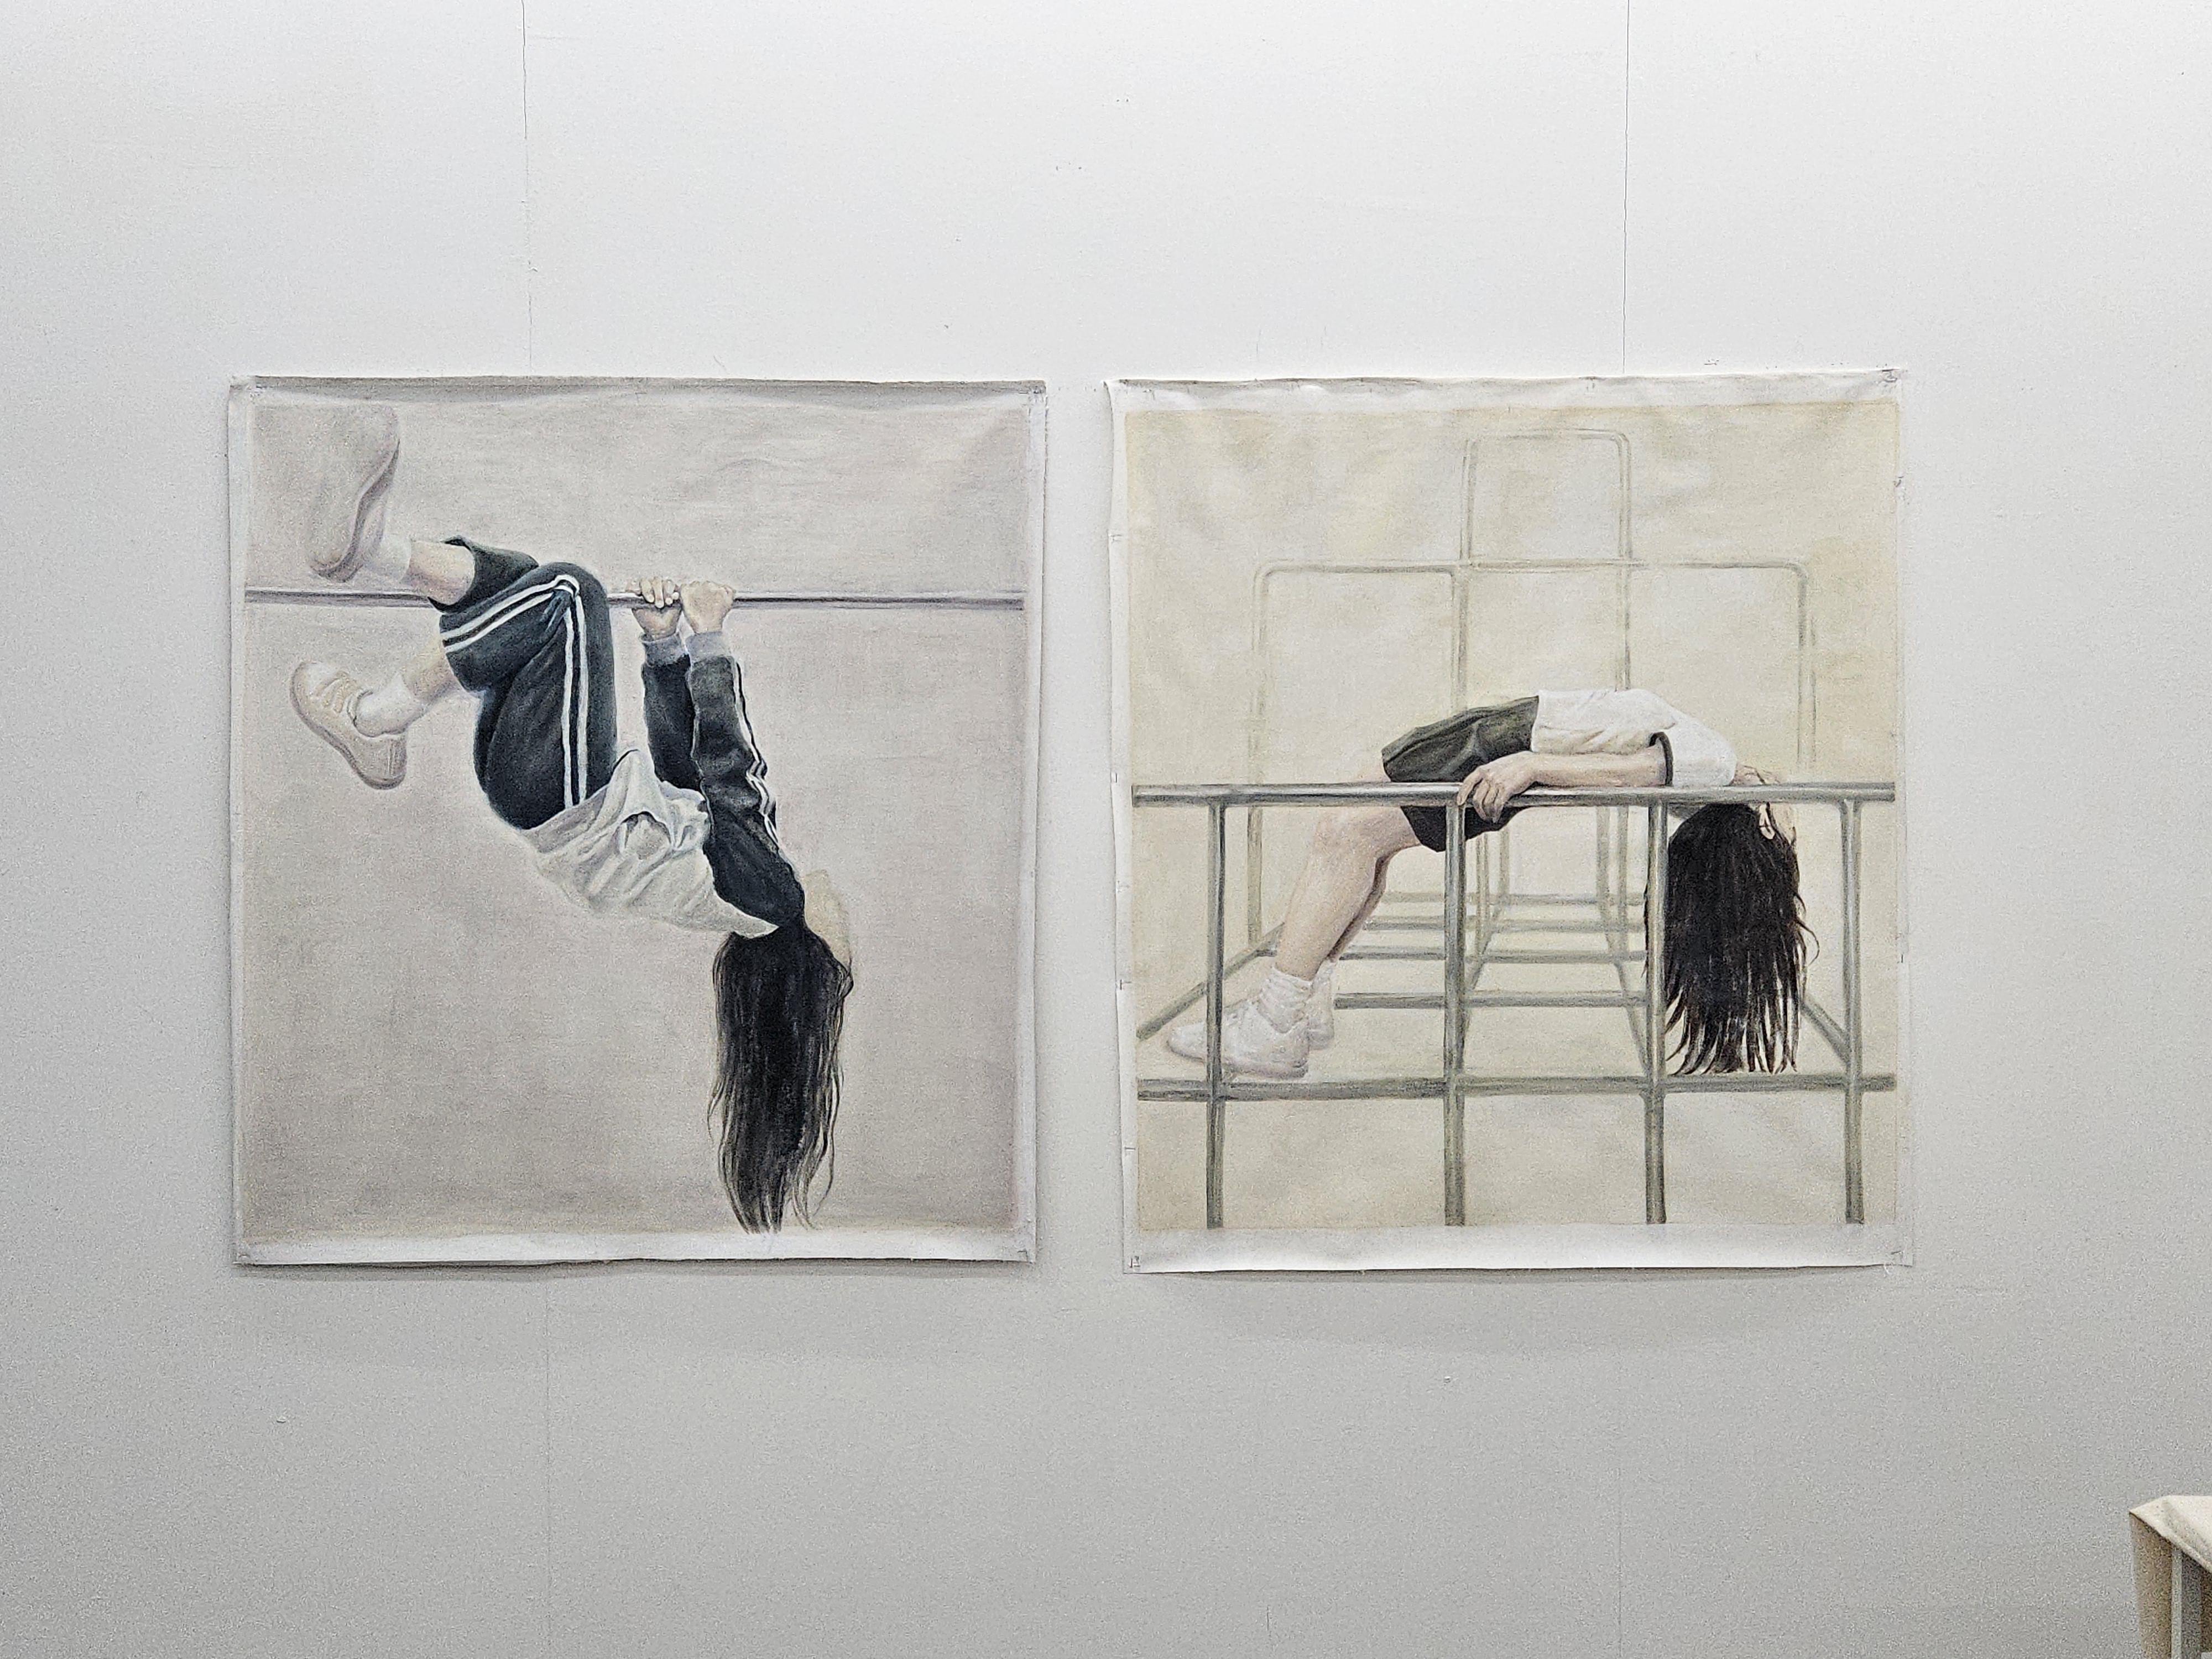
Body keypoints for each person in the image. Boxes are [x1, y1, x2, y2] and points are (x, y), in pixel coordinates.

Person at [281, 408, 853, 1231]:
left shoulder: (775, 902)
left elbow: (732, 770)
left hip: (564, 791)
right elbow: (688, 774)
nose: (846, 912)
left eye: (846, 938)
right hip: (541, 788)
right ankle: (368, 550)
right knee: (520, 583)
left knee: (567, 593)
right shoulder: (735, 893)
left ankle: (373, 719)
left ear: (814, 949)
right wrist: (664, 647)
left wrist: (713, 637)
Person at [1168, 691, 1807, 1081]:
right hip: (1503, 734)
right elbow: (1733, 776)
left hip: (1509, 743)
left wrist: (1527, 765)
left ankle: (1276, 1020)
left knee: (1347, 836)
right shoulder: (1720, 767)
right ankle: (1302, 1004)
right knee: (1356, 834)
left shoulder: (1712, 764)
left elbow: (1629, 772)